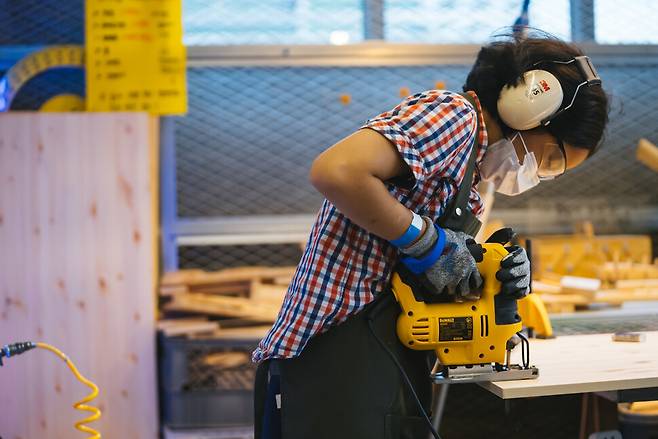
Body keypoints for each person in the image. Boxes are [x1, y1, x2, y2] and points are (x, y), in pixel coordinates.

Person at [252, 31, 609, 439]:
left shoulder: (468, 184)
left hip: (380, 356)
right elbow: (337, 171)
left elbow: (425, 270)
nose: (536, 173)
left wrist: (496, 273)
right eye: (549, 159)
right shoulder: (453, 116)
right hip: (333, 352)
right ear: (529, 109)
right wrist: (427, 242)